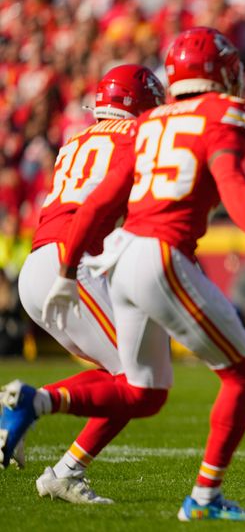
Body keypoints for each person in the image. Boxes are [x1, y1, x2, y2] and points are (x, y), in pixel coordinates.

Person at [0, 27, 245, 521]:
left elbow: (97, 202)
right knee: (237, 374)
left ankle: (60, 457)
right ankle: (201, 497)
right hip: (138, 255)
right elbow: (227, 180)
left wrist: (68, 266)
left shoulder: (118, 132)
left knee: (142, 390)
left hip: (96, 257)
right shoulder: (207, 117)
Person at [1, 65, 165, 505]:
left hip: (41, 264)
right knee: (138, 382)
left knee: (117, 376)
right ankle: (44, 434)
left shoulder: (75, 140)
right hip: (71, 266)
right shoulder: (136, 139)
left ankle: (35, 426)